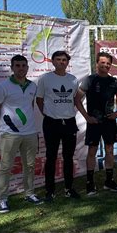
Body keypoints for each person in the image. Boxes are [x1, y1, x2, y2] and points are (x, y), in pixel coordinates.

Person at [0, 55, 42, 213]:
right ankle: (2, 199)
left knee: (30, 166)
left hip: (30, 133)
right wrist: (1, 124)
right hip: (9, 133)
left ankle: (29, 193)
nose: (21, 68)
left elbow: (30, 106)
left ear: (27, 68)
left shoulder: (33, 86)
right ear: (12, 67)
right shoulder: (2, 87)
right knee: (6, 166)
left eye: (23, 65)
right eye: (17, 65)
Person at [36, 51, 92, 201]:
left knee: (68, 157)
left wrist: (85, 116)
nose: (61, 62)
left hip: (69, 123)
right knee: (51, 157)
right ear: (53, 62)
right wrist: (47, 114)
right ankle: (50, 191)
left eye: (64, 60)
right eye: (58, 59)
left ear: (67, 62)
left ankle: (69, 188)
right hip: (51, 123)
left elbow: (76, 101)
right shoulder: (45, 79)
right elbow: (39, 100)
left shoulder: (73, 80)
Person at [78, 52, 117, 195]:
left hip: (109, 122)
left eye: (108, 63)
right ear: (97, 63)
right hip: (94, 122)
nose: (106, 65)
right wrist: (87, 117)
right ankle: (90, 183)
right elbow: (77, 100)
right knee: (92, 152)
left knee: (110, 150)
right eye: (103, 62)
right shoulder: (89, 80)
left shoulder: (114, 81)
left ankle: (109, 181)